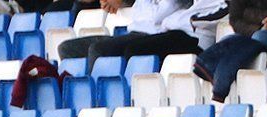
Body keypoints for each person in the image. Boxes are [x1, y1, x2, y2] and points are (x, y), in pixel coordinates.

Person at [58, 0, 229, 72]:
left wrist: (135, 9)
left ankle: (98, 98)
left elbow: (158, 16)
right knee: (67, 48)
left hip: (155, 33)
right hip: (135, 30)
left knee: (101, 49)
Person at [193, 0, 267, 102]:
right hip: (250, 32)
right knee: (228, 40)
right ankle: (212, 73)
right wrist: (256, 27)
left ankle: (220, 84)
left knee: (257, 37)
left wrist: (246, 13)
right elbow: (235, 20)